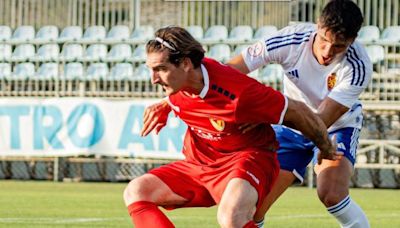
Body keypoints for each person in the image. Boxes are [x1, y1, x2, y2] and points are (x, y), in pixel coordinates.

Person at [123, 26, 339, 228]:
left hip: (248, 159)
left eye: (160, 69)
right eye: (151, 69)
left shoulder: (239, 93)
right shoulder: (178, 84)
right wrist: (166, 105)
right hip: (200, 165)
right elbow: (186, 97)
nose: (153, 79)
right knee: (136, 191)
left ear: (186, 63)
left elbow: (298, 111)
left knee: (231, 216)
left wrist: (326, 147)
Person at [227, 0, 372, 227]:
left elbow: (322, 119)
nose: (327, 51)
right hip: (289, 125)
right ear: (317, 25)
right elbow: (229, 72)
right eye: (324, 39)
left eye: (338, 46)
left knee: (331, 193)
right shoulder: (290, 40)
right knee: (253, 206)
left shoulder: (358, 65)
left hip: (335, 127)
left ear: (352, 41)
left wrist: (265, 116)